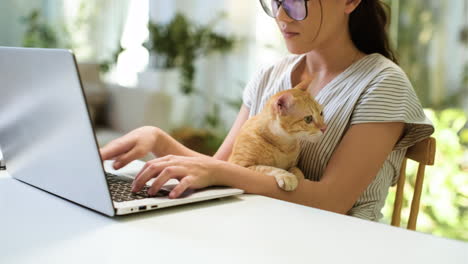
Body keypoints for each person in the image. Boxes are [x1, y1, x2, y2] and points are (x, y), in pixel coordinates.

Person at [100, 0, 434, 221]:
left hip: (338, 244)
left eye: (296, 3)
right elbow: (223, 168)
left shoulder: (382, 83)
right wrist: (158, 140)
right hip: (262, 229)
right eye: (275, 1)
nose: (282, 16)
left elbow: (333, 200)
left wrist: (217, 173)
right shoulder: (270, 77)